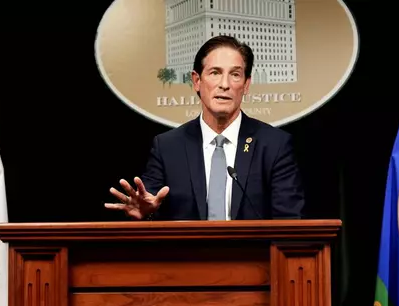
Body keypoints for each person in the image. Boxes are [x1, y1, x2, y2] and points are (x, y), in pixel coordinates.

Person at [105, 35, 305, 220]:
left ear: (246, 85)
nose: (224, 84)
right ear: (197, 81)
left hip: (255, 257)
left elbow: (290, 221)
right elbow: (148, 202)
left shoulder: (274, 145)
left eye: (235, 74)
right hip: (187, 258)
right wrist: (146, 212)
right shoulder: (167, 147)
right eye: (215, 73)